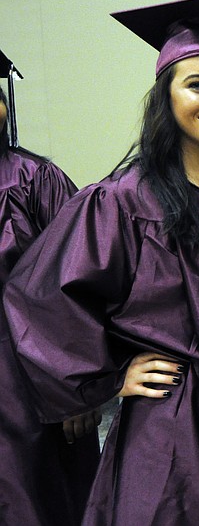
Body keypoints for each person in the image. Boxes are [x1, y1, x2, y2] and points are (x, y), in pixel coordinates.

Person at [3, 0, 199, 525]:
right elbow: (39, 297)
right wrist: (109, 378)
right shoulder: (126, 201)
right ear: (166, 96)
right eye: (196, 85)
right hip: (180, 436)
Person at [0, 49, 101, 525]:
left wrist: (77, 386)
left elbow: (82, 282)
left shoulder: (34, 180)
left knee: (40, 502)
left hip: (31, 386)